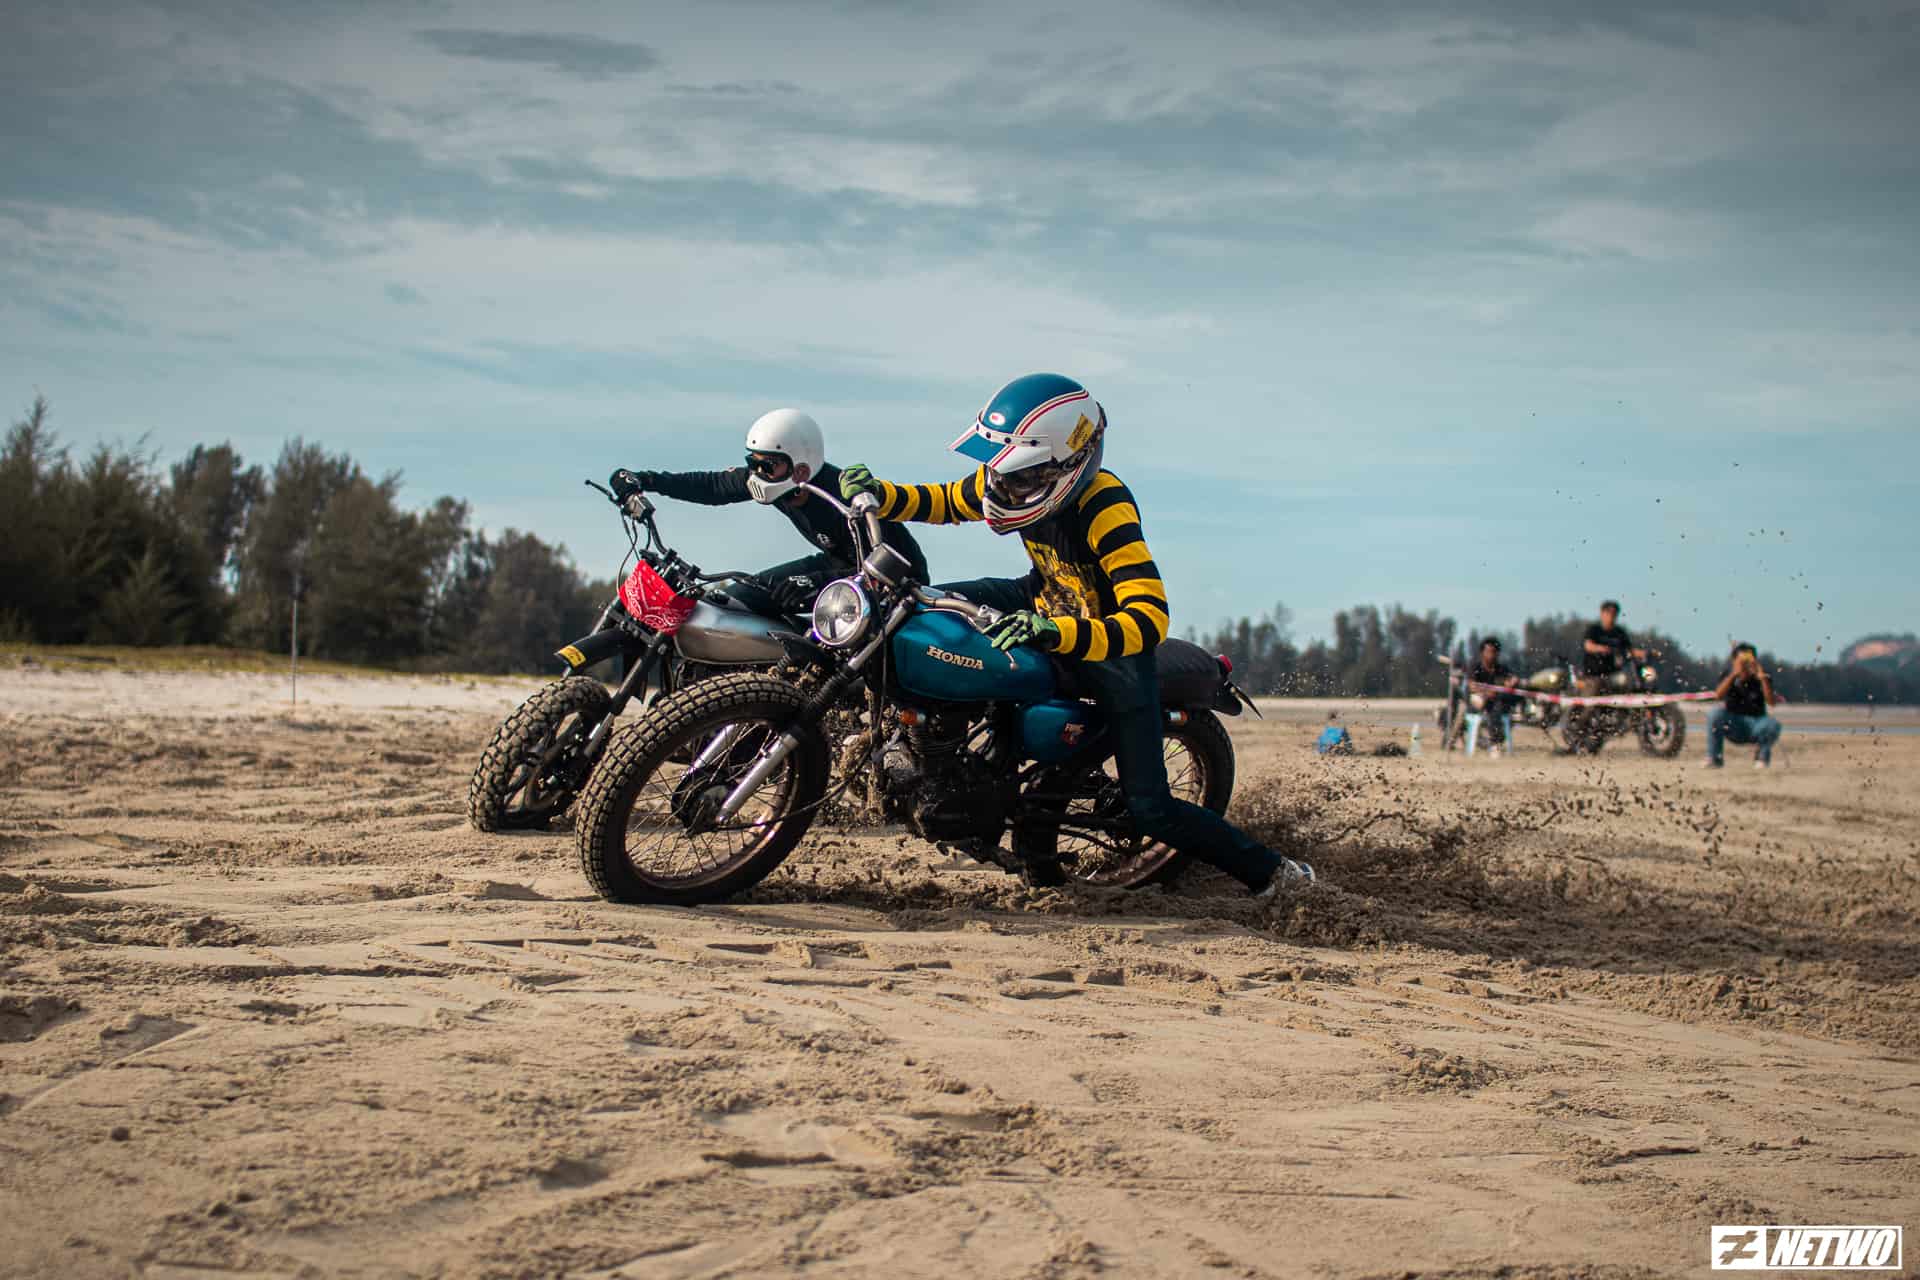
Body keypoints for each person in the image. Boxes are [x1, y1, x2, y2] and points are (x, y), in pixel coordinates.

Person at [838, 373, 1314, 898]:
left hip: (1110, 647)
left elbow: (1148, 618)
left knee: (1151, 808)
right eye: (999, 472)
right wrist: (880, 494)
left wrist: (1057, 631)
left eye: (1019, 476)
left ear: (1068, 464)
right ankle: (928, 744)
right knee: (912, 610)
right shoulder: (1007, 481)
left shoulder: (1103, 504)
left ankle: (1274, 873)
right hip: (1042, 599)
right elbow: (947, 500)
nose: (1000, 487)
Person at [608, 409, 929, 613]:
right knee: (735, 602)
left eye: (766, 465)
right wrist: (645, 480)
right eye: (752, 462)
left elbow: (884, 571)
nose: (756, 474)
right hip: (835, 565)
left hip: (894, 583)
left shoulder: (840, 498)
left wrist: (813, 583)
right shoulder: (775, 481)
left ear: (801, 470)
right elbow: (711, 486)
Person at [1707, 643, 1784, 769]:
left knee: (1772, 724)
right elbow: (1718, 695)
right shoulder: (1728, 675)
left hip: (1756, 722)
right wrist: (1734, 675)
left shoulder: (1762, 677)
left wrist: (1762, 678)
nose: (1745, 664)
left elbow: (1771, 702)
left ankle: (1762, 758)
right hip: (1733, 722)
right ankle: (1714, 759)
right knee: (1715, 713)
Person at [1465, 637, 1519, 757]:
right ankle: (1493, 743)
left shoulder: (1501, 669)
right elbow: (1471, 686)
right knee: (1490, 706)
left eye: (1494, 652)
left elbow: (1512, 679)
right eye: (1488, 651)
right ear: (1482, 653)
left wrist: (1513, 681)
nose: (1491, 655)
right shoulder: (1475, 667)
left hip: (1495, 703)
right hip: (1477, 701)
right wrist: (1486, 692)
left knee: (1500, 708)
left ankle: (1496, 742)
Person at [1580, 599, 1647, 691]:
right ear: (1602, 613)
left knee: (1634, 679)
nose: (1612, 616)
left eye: (1614, 613)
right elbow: (1588, 646)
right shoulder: (1594, 630)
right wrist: (1601, 648)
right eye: (1609, 612)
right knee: (1596, 686)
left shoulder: (1619, 633)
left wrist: (1642, 653)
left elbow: (1629, 650)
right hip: (1593, 675)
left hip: (1614, 674)